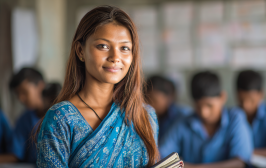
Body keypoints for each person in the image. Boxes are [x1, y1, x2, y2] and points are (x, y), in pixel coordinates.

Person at [36, 6, 159, 168]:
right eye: (103, 46)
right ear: (80, 51)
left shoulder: (145, 116)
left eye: (124, 48)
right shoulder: (60, 119)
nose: (115, 57)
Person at [159, 71, 253, 168]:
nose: (204, 113)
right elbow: (162, 157)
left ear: (222, 97)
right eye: (198, 106)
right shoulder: (183, 122)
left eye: (209, 105)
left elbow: (240, 162)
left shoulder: (235, 119)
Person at [3, 67, 46, 163]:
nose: (21, 99)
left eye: (24, 92)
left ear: (40, 86)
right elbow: (15, 155)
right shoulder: (24, 119)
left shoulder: (62, 113)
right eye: (18, 94)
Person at [146, 75, 192, 142]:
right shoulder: (145, 116)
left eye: (154, 101)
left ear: (169, 97)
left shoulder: (184, 117)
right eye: (147, 100)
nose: (150, 105)